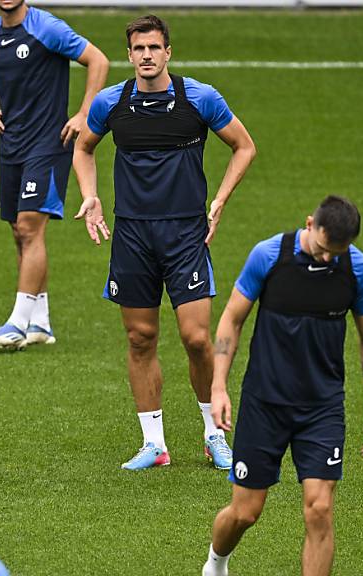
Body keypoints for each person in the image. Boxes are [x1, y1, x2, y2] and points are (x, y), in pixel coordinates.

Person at [72, 15, 256, 470]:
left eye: (155, 48)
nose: (147, 56)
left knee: (196, 339)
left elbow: (244, 146)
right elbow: (83, 148)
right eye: (139, 49)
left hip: (185, 235)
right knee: (140, 337)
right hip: (132, 234)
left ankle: (214, 434)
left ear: (168, 52)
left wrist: (220, 200)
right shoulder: (111, 103)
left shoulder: (199, 99)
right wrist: (90, 196)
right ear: (130, 54)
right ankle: (154, 444)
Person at [202, 196, 363, 576]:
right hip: (264, 404)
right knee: (245, 512)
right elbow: (231, 321)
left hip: (322, 408)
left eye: (335, 253)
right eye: (321, 248)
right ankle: (216, 562)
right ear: (309, 224)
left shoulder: (358, 270)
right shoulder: (268, 256)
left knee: (319, 509)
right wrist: (218, 387)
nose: (325, 259)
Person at [0, 0, 109, 350]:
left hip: (49, 143)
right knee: (19, 233)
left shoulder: (46, 28)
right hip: (11, 145)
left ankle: (17, 324)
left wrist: (84, 113)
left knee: (29, 227)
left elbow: (98, 60)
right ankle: (41, 323)